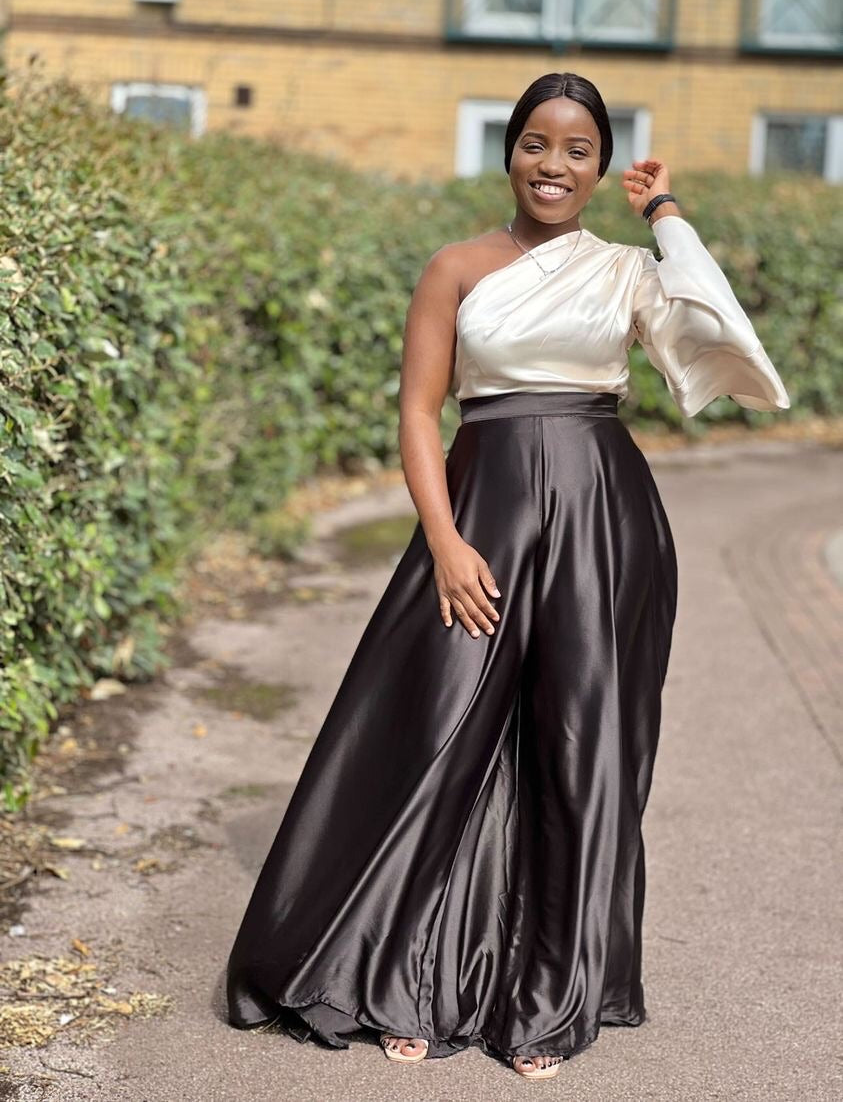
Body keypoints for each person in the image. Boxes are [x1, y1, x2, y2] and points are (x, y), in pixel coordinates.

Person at [225, 71, 790, 1081]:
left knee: (580, 748)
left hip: (604, 521)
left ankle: (546, 997)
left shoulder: (626, 272)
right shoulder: (455, 267)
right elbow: (416, 412)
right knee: (437, 735)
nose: (555, 165)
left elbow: (718, 337)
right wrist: (443, 540)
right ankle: (405, 975)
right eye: (537, 142)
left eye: (579, 150)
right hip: (479, 510)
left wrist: (665, 215)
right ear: (509, 151)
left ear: (602, 166)